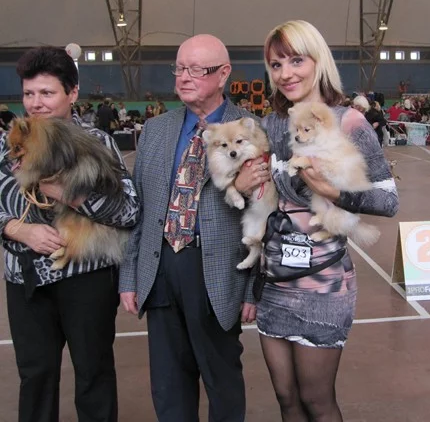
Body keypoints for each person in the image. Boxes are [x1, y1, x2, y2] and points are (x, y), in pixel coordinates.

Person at [239, 20, 399, 421]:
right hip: (274, 282)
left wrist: (334, 192)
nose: (285, 73)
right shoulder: (272, 124)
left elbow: (388, 200)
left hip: (324, 285)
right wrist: (244, 185)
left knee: (317, 401)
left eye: (296, 60)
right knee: (286, 399)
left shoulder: (348, 122)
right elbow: (264, 201)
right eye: (276, 65)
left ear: (318, 61)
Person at [119, 34, 260, 421]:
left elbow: (265, 219)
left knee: (222, 382)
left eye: (197, 70)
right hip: (160, 268)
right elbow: (140, 209)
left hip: (218, 273)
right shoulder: (155, 130)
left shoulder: (251, 131)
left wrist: (253, 288)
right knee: (168, 385)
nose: (184, 77)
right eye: (180, 68)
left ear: (223, 74)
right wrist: (129, 277)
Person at [0, 46, 140, 422]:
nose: (36, 103)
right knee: (35, 376)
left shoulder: (98, 141)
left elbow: (129, 211)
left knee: (94, 374)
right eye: (29, 93)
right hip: (25, 281)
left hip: (87, 279)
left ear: (72, 92)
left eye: (47, 93)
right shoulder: (9, 144)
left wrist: (65, 192)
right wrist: (17, 229)